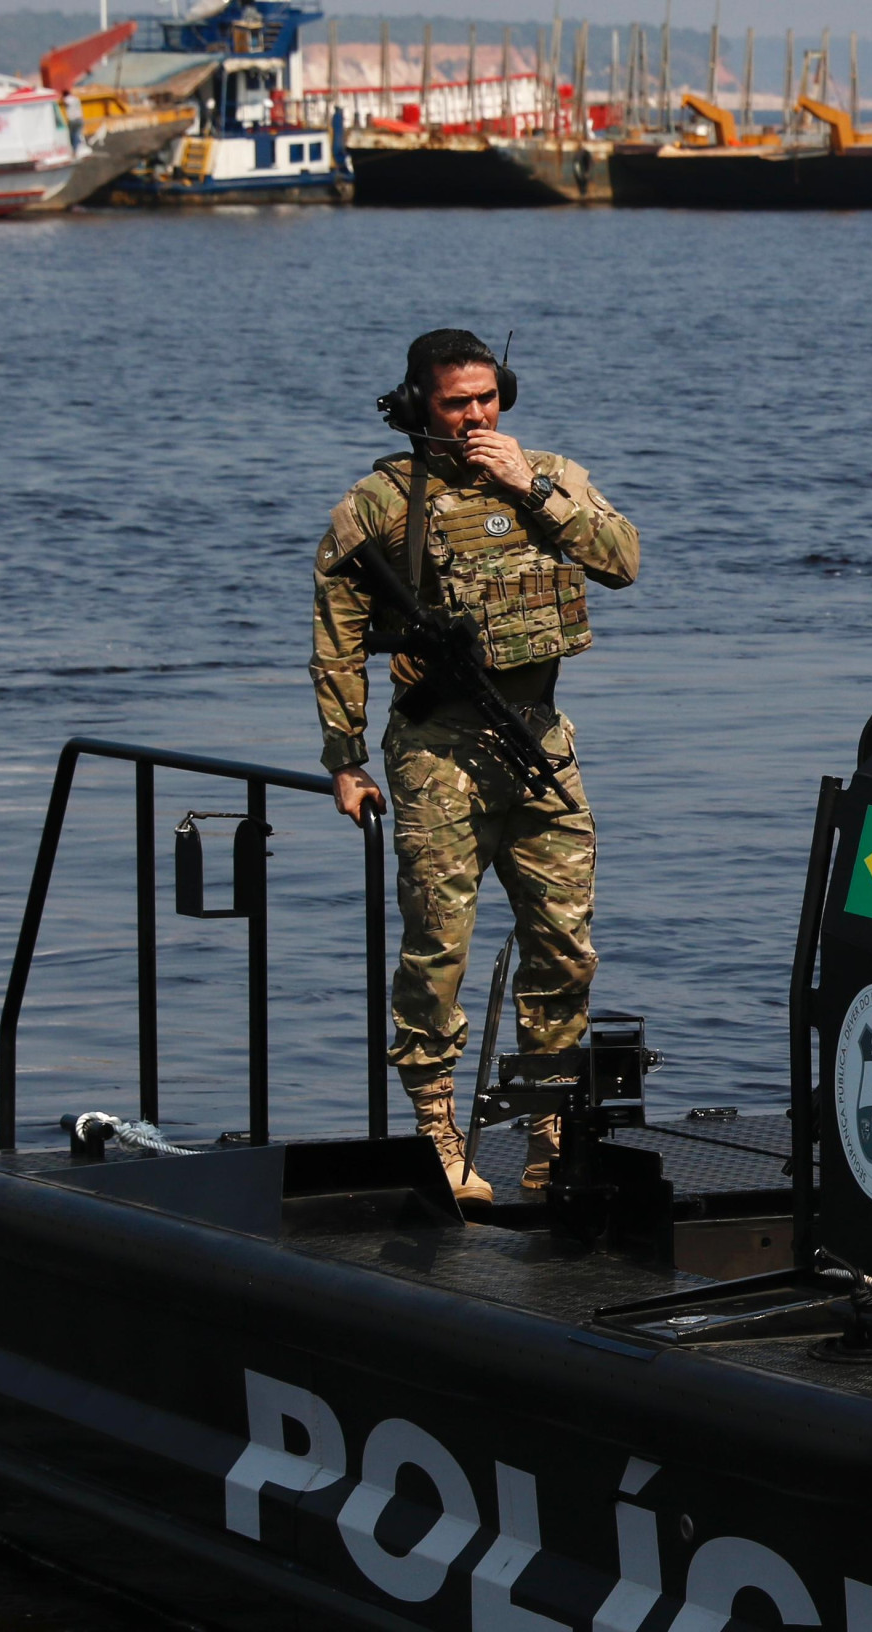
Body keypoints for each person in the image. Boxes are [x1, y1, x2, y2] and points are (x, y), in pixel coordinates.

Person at [311, 329, 640, 1203]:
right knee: (437, 954)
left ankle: (548, 1132)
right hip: (436, 754)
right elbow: (336, 644)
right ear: (421, 404)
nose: (476, 416)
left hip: (538, 744)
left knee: (566, 950)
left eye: (488, 398)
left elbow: (623, 561)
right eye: (457, 403)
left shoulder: (548, 476)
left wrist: (525, 484)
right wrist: (344, 761)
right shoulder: (381, 504)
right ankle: (437, 1136)